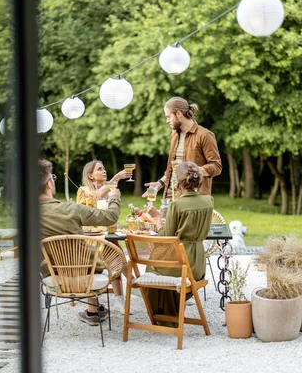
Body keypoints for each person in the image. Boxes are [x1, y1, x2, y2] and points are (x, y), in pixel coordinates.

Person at [38, 159, 121, 326]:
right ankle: (100, 306)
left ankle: (93, 311)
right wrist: (114, 198)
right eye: (52, 177)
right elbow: (111, 217)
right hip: (87, 273)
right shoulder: (71, 209)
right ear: (49, 184)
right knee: (105, 257)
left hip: (53, 276)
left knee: (89, 255)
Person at [145, 161, 213, 326]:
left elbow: (166, 237)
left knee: (152, 265)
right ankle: (172, 312)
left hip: (181, 262)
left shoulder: (177, 205)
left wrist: (156, 219)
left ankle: (164, 316)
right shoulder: (209, 200)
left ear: (178, 183)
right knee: (161, 263)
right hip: (197, 263)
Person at [76, 159, 131, 314]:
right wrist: (116, 179)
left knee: (116, 252)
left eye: (104, 168)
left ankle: (127, 291)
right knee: (115, 255)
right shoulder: (83, 190)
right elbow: (95, 198)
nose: (104, 171)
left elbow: (108, 216)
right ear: (91, 175)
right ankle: (132, 286)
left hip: (105, 234)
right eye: (99, 169)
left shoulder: (107, 192)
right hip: (90, 237)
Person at [143, 96, 222, 198]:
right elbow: (173, 168)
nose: (167, 121)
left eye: (168, 117)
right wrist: (160, 183)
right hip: (170, 194)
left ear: (179, 114)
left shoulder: (205, 135)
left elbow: (216, 167)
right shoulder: (174, 135)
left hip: (193, 197)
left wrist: (194, 170)